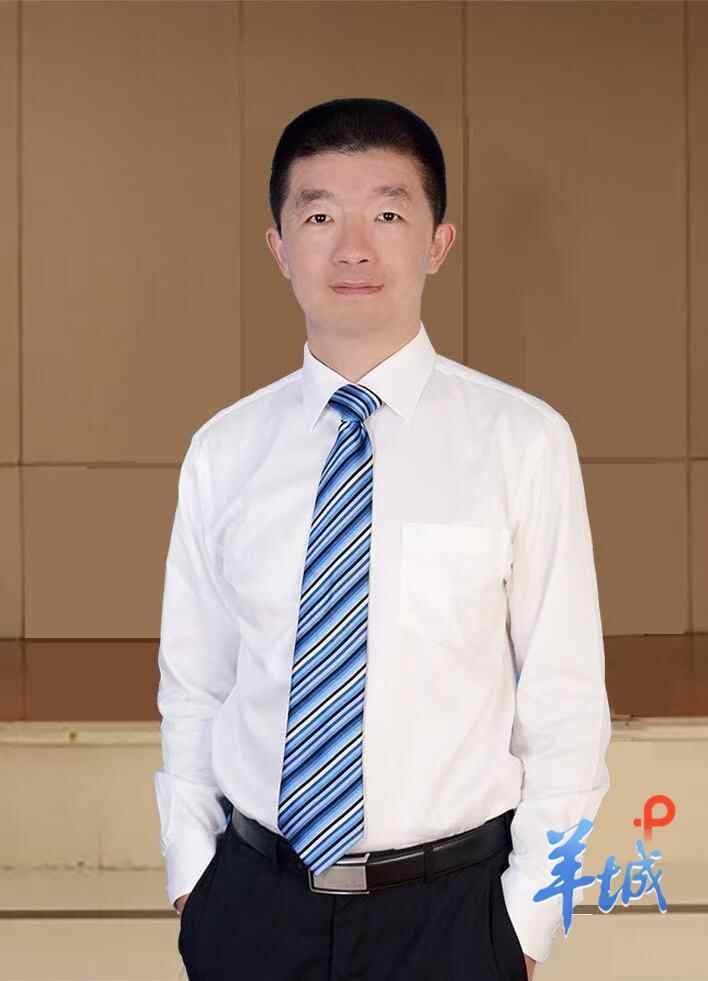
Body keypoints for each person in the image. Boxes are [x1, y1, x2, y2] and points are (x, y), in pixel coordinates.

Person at [154, 97, 612, 981]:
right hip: (252, 906)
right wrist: (193, 880)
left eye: (389, 215)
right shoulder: (224, 452)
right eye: (320, 216)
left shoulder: (522, 443)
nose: (354, 248)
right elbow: (196, 683)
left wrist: (527, 923)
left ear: (438, 242)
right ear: (279, 247)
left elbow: (564, 702)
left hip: (455, 915)